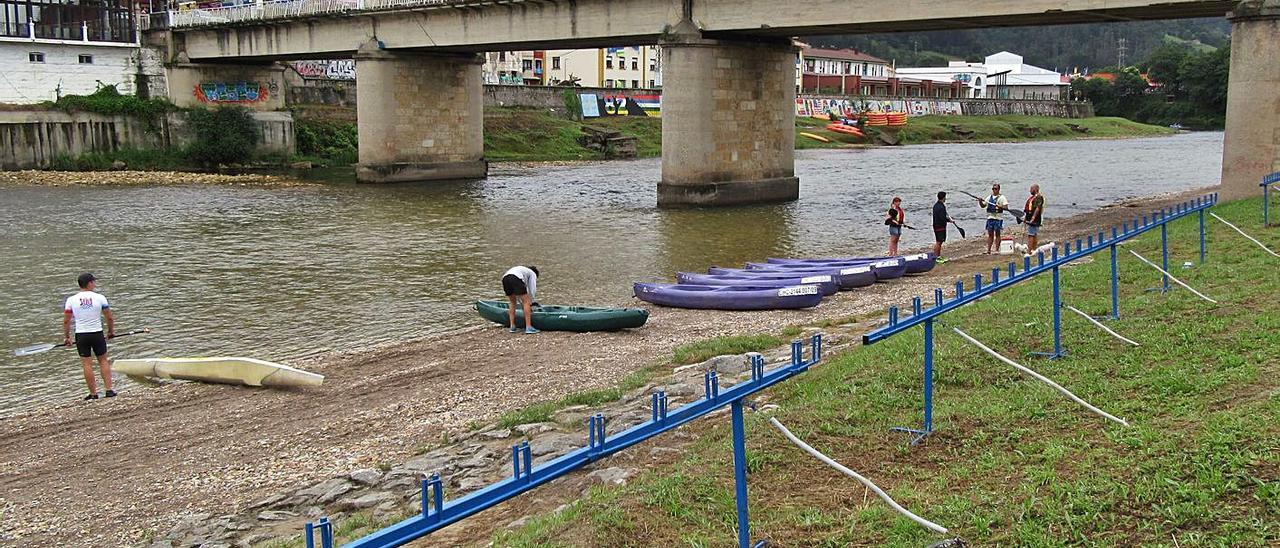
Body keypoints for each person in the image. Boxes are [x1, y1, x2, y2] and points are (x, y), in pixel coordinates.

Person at [63, 273, 115, 400]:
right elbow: (109, 317)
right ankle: (109, 390)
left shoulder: (71, 300)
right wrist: (110, 331)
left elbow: (66, 321)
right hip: (97, 333)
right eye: (93, 282)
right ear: (89, 283)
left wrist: (67, 337)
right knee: (103, 360)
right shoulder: (100, 298)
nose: (95, 284)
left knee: (87, 364)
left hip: (81, 335)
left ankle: (93, 394)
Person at [501, 265, 540, 334]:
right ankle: (528, 327)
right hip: (515, 278)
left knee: (512, 302)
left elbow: (519, 294)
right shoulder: (532, 273)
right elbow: (532, 289)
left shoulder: (523, 270)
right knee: (526, 302)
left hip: (505, 278)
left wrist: (523, 303)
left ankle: (512, 326)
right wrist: (531, 302)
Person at [977, 183, 1010, 254]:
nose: (994, 190)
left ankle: (997, 250)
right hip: (990, 218)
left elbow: (1006, 207)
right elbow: (983, 206)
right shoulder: (989, 197)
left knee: (997, 234)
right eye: (993, 189)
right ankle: (989, 250)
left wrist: (1000, 206)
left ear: (998, 189)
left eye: (995, 189)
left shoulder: (1002, 198)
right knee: (990, 234)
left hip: (998, 218)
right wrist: (980, 201)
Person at [932, 191, 953, 264]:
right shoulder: (941, 206)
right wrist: (949, 220)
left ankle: (937, 256)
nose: (945, 199)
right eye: (945, 197)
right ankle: (936, 257)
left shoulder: (936, 205)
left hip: (937, 226)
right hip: (940, 227)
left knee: (939, 242)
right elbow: (942, 217)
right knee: (939, 242)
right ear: (943, 197)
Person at [1023, 184, 1045, 251]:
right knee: (1034, 234)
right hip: (1029, 217)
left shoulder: (1038, 197)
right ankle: (1034, 249)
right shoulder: (1032, 198)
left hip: (1035, 219)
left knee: (1031, 234)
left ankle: (1030, 250)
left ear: (1035, 189)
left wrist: (1033, 218)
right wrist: (1025, 218)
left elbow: (1038, 208)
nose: (1030, 190)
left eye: (1031, 189)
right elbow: (1029, 209)